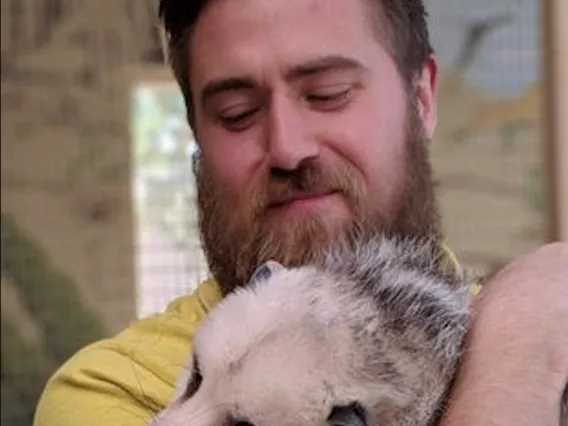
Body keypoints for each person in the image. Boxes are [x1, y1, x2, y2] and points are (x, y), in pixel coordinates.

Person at [34, 0, 567, 425]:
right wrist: (517, 355)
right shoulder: (113, 389)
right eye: (236, 114)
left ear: (422, 99)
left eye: (328, 94)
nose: (288, 148)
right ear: (197, 132)